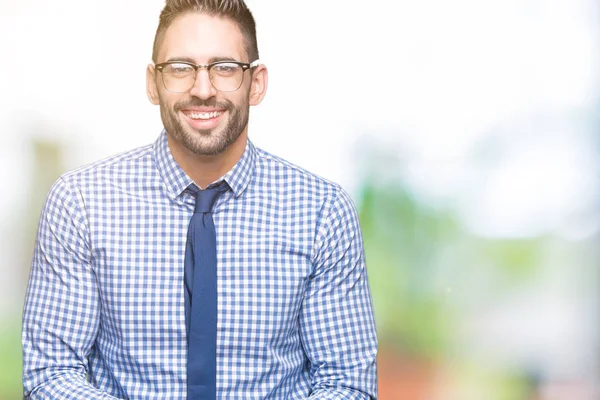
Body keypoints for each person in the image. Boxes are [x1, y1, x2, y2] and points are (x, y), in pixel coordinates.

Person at [21, 0, 378, 398]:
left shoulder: (322, 212)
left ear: (256, 83)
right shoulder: (81, 204)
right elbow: (51, 376)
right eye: (180, 68)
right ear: (152, 83)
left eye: (225, 68)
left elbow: (347, 384)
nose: (203, 89)